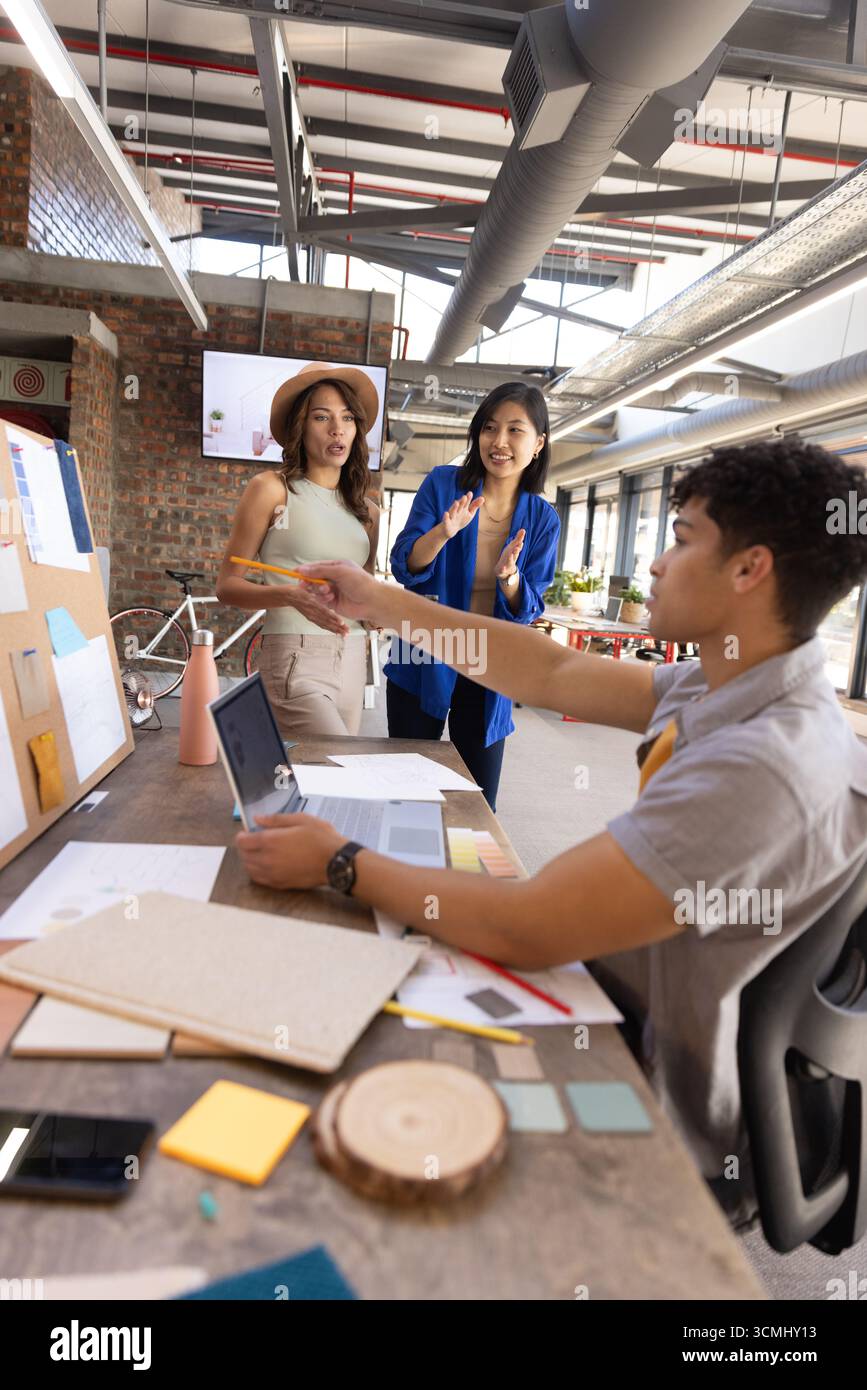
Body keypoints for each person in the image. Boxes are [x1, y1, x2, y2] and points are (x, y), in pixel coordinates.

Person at [235, 439, 867, 1220]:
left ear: (749, 569)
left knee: (331, 1081)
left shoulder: (765, 763)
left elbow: (528, 926)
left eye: (681, 539)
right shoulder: (739, 678)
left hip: (647, 1092)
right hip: (623, 998)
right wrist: (385, 602)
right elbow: (554, 673)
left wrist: (340, 861)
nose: (658, 567)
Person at [383, 382, 559, 809]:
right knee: (408, 788)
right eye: (489, 428)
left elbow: (529, 606)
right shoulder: (444, 485)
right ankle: (404, 872)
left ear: (538, 443)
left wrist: (510, 579)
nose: (499, 442)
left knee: (476, 801)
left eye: (515, 430)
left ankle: (468, 875)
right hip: (424, 652)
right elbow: (406, 565)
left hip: (490, 663)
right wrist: (444, 532)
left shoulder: (543, 519)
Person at [216, 363, 380, 738]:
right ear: (301, 427)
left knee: (328, 784)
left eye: (347, 418)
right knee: (335, 762)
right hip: (295, 656)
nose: (337, 429)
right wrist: (289, 595)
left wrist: (377, 613)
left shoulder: (366, 511)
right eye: (321, 417)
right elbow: (226, 585)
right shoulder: (273, 489)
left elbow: (363, 589)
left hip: (354, 656)